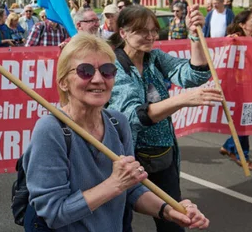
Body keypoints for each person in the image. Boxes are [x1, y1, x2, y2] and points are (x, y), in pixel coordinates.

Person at [23, 33, 210, 232]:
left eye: (107, 70)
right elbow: (53, 213)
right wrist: (114, 184)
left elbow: (132, 189)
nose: (98, 79)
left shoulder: (117, 122)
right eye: (85, 71)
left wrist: (168, 210)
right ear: (63, 82)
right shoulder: (50, 130)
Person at [107, 5, 221, 232]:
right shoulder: (114, 66)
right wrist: (181, 100)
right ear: (123, 33)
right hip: (130, 160)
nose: (150, 36)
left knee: (174, 222)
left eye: (154, 30)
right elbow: (132, 116)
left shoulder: (155, 58)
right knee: (120, 223)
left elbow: (194, 75)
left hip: (163, 157)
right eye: (142, 31)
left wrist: (195, 35)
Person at [218, 10, 252, 172]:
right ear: (242, 24)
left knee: (245, 121)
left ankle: (229, 146)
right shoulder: (234, 40)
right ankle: (243, 157)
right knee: (244, 122)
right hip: (238, 89)